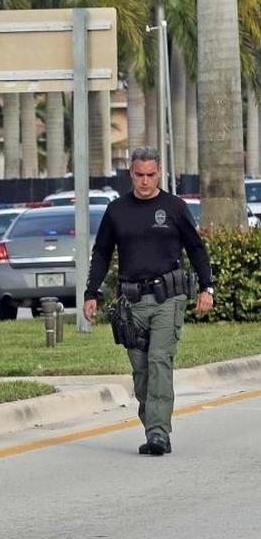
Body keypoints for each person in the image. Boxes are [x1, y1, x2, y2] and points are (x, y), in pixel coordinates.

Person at [84, 147, 214, 456]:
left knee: (159, 361)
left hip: (168, 298)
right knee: (141, 372)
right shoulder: (116, 210)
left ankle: (158, 433)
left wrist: (207, 288)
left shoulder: (174, 207)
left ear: (159, 173)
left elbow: (196, 249)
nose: (145, 181)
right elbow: (101, 252)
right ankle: (152, 424)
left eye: (151, 175)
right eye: (139, 175)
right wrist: (92, 292)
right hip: (131, 303)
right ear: (131, 174)